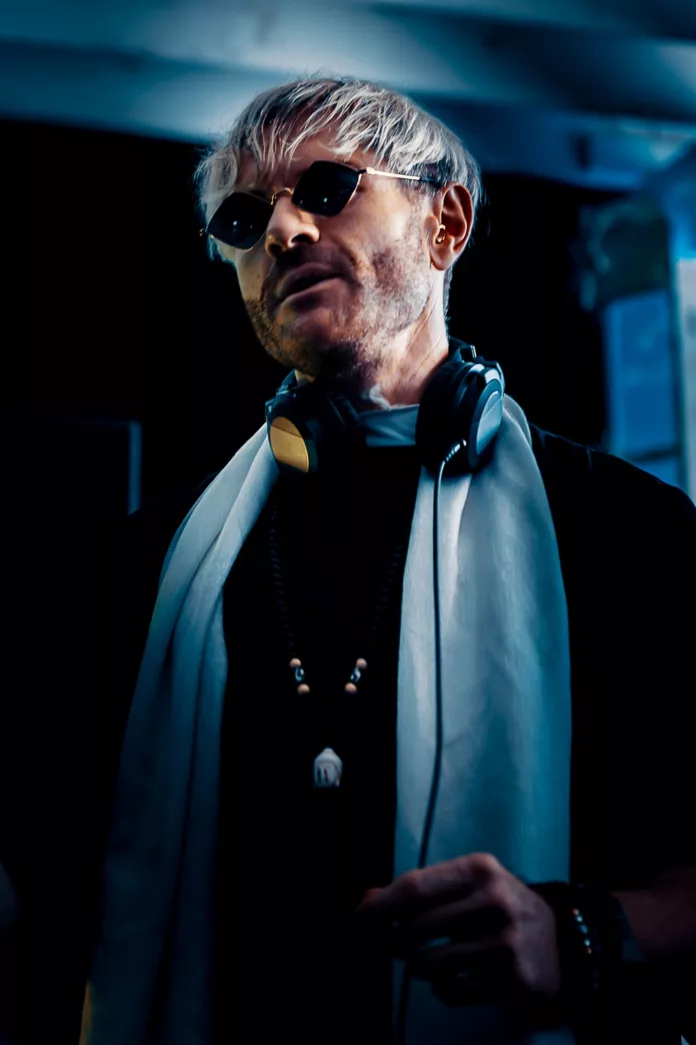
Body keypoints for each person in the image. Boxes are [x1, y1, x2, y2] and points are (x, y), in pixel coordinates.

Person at [76, 76, 696, 1045]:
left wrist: (579, 933)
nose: (283, 230)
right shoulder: (147, 560)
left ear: (447, 223)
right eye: (244, 219)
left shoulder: (627, 530)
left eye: (326, 189)